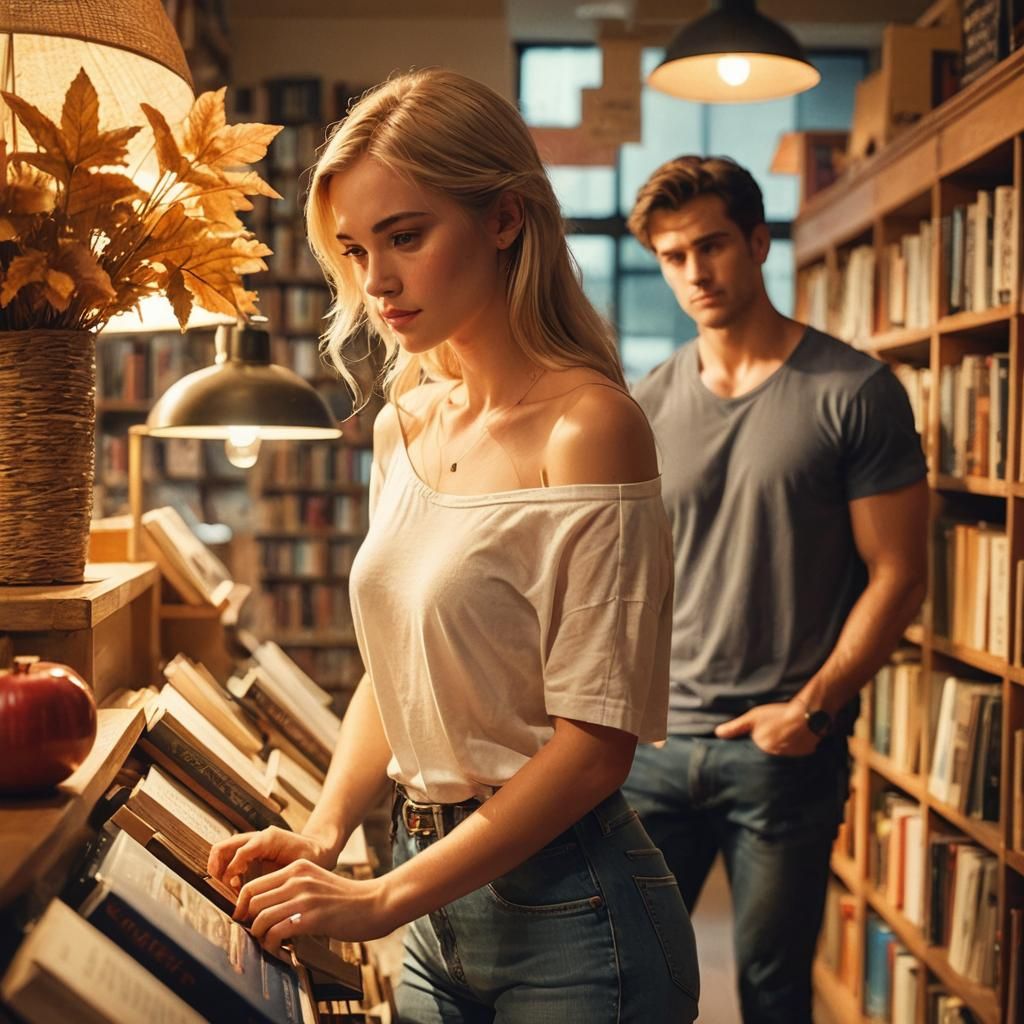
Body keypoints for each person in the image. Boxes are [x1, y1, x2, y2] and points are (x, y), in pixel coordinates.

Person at [207, 69, 699, 1024]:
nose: (376, 282)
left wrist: (382, 898)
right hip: (431, 904)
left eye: (406, 235)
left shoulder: (591, 428)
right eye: (354, 249)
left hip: (577, 914)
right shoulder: (405, 422)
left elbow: (598, 749)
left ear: (506, 218)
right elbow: (400, 673)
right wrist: (324, 830)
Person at [620, 155, 928, 1024]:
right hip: (653, 746)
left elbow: (901, 575)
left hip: (782, 752)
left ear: (758, 243)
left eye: (712, 245)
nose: (694, 272)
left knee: (771, 990)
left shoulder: (855, 391)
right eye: (673, 256)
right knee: (629, 984)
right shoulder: (647, 402)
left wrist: (814, 710)